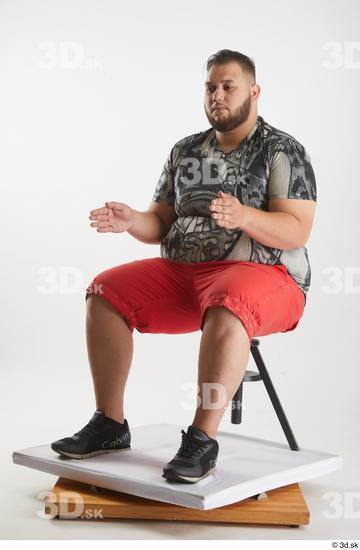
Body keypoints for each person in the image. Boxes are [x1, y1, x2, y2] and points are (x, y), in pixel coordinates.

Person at [51, 49, 317, 484]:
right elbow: (160, 222)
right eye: (210, 87)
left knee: (229, 298)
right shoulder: (186, 150)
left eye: (228, 86)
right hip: (186, 276)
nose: (218, 95)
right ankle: (110, 424)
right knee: (106, 291)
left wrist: (245, 216)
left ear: (254, 91)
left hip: (269, 278)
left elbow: (297, 229)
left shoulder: (282, 150)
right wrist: (132, 221)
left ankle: (201, 441)